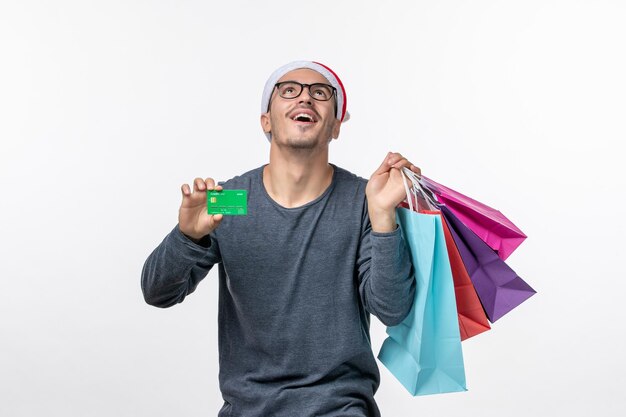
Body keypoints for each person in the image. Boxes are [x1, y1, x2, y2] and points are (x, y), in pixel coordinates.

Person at [141, 60, 421, 417]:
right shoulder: (231, 199)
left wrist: (384, 217)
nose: (305, 99)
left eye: (320, 93)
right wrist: (187, 237)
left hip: (340, 408)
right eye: (289, 90)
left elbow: (392, 310)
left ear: (335, 125)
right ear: (266, 121)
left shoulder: (365, 199)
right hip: (247, 409)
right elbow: (157, 293)